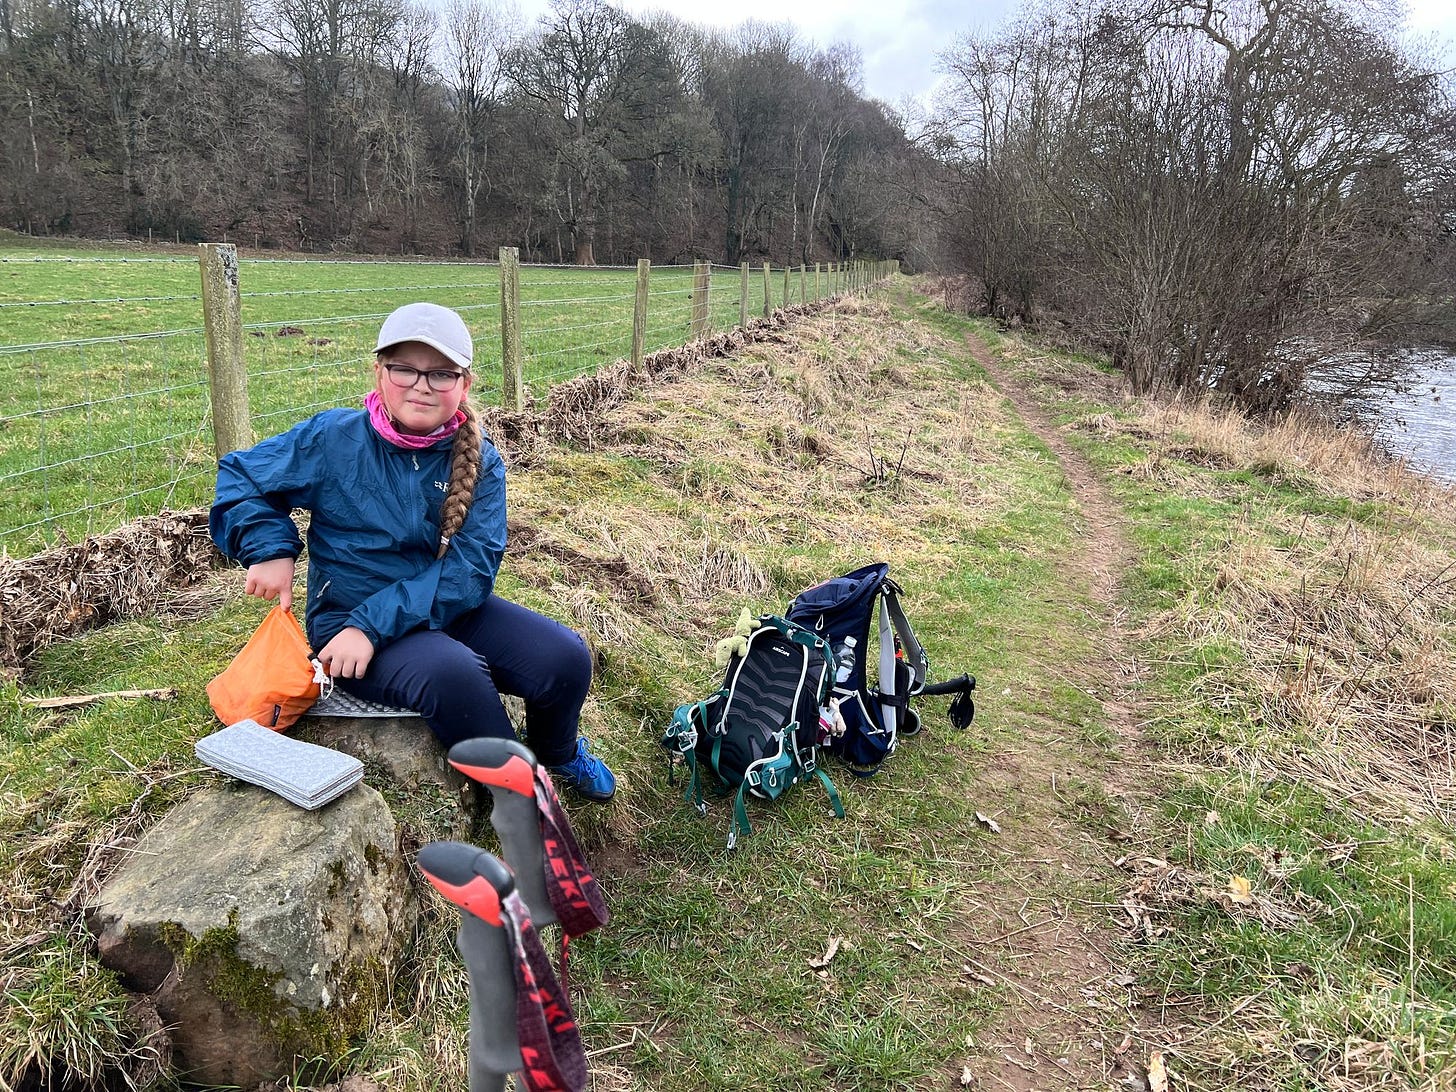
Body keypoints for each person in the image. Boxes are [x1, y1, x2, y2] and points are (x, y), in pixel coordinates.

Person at [209, 302, 616, 801]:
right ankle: (521, 797)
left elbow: (471, 572)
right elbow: (241, 477)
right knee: (455, 674)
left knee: (565, 657)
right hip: (348, 620)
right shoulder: (331, 439)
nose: (421, 385)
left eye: (441, 374)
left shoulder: (481, 461)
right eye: (404, 368)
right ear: (379, 371)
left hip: (439, 606)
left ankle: (559, 753)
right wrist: (270, 547)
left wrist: (374, 623)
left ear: (464, 385)